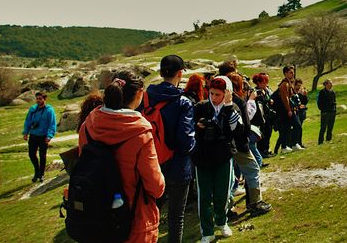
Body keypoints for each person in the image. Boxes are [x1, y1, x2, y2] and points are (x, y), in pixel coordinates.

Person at [78, 71, 165, 243]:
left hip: (96, 215)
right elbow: (156, 186)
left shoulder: (88, 124)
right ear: (140, 93)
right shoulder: (140, 132)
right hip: (133, 220)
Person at [144, 55, 195, 243]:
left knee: (150, 215)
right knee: (176, 217)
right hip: (178, 167)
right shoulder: (183, 102)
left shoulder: (146, 98)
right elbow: (186, 142)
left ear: (160, 72)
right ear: (180, 73)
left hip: (151, 165)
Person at [192, 76, 242, 243]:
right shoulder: (200, 107)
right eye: (211, 93)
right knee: (204, 196)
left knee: (222, 194)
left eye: (218, 94)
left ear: (226, 93)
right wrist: (198, 127)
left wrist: (227, 107)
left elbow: (238, 130)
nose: (213, 98)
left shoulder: (232, 107)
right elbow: (190, 128)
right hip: (203, 157)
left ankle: (221, 222)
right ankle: (207, 231)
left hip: (223, 156)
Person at [226, 72, 272, 215]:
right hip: (238, 145)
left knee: (228, 177)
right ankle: (254, 203)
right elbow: (245, 124)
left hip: (224, 146)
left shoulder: (215, 101)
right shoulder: (238, 101)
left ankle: (226, 209)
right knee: (252, 169)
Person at [22, 91, 57, 182]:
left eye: (40, 99)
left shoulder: (49, 110)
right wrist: (25, 133)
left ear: (44, 99)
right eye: (37, 99)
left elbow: (52, 124)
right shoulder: (33, 109)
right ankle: (37, 171)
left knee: (42, 156)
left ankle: (41, 174)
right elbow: (28, 121)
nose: (38, 100)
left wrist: (49, 136)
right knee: (31, 154)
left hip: (43, 137)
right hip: (33, 135)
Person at [274, 65, 302, 152]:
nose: (293, 74)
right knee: (297, 126)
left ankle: (286, 146)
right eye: (291, 72)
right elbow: (285, 98)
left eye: (293, 72)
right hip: (287, 110)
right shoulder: (284, 84)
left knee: (287, 128)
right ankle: (291, 145)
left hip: (290, 109)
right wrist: (289, 110)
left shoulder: (290, 83)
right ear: (285, 73)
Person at [317, 79, 337, 144]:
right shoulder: (322, 92)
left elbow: (334, 101)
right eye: (329, 83)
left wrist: (334, 109)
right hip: (325, 112)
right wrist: (323, 110)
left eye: (331, 83)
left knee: (330, 127)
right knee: (323, 127)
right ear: (325, 84)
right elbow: (319, 103)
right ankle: (320, 141)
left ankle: (328, 139)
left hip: (332, 112)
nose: (331, 84)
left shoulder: (332, 92)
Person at [293, 79, 308, 148]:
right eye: (298, 85)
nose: (299, 87)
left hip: (301, 113)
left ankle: (299, 142)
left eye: (300, 85)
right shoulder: (293, 93)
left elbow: (305, 102)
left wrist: (305, 95)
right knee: (297, 129)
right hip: (296, 113)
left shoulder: (300, 93)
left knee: (300, 129)